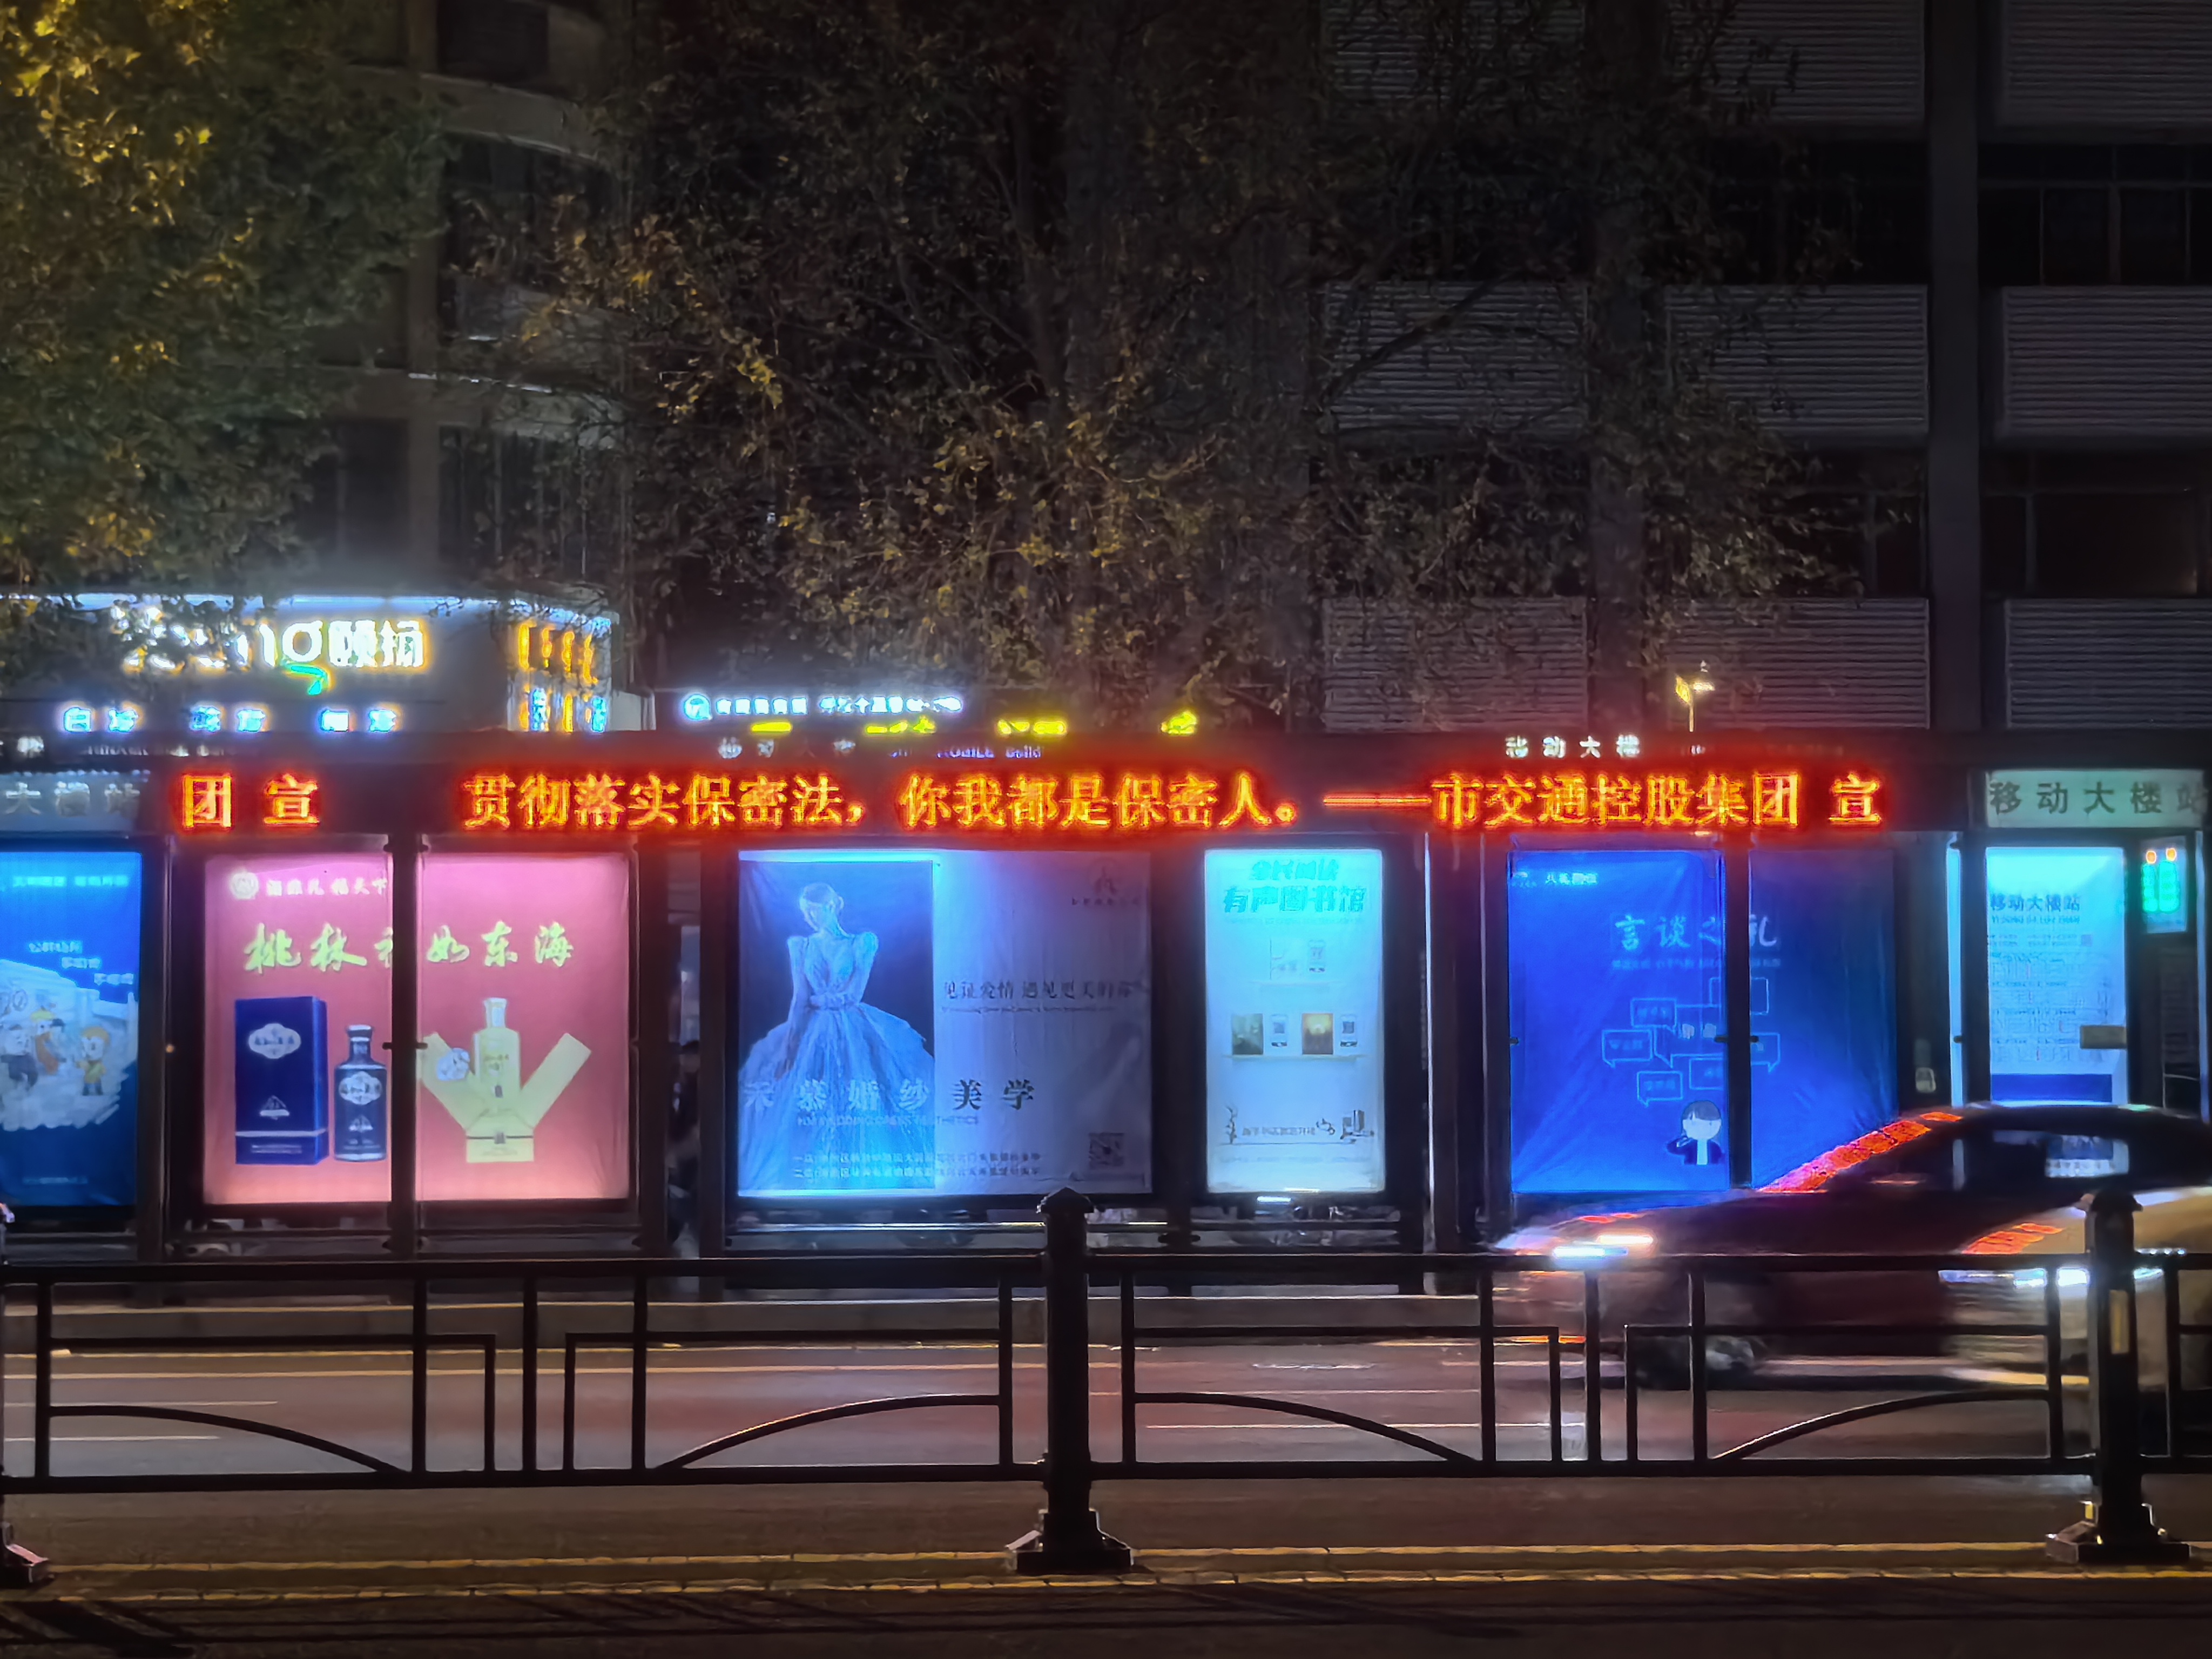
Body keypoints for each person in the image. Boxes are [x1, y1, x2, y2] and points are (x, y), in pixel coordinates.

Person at [737, 882, 933, 1193]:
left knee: (857, 1094)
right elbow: (800, 997)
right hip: (813, 1029)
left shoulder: (861, 943)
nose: (809, 918)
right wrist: (790, 1044)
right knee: (808, 1099)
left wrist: (820, 1001)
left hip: (853, 1028)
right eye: (805, 912)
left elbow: (854, 994)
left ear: (831, 906)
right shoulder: (802, 945)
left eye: (813, 911)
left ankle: (859, 1180)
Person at [667, 1040, 701, 1255]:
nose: (684, 1063)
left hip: (692, 1165)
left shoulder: (701, 1086)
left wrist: (674, 1155)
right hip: (687, 1165)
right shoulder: (687, 1086)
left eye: (689, 1057)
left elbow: (699, 1133)